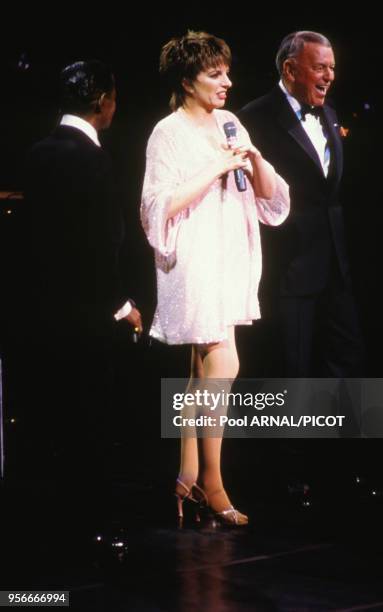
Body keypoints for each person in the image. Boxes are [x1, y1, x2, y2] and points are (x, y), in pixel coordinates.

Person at [141, 31, 289, 525]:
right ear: (188, 81)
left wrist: (254, 159)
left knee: (199, 375)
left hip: (231, 256)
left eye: (226, 72)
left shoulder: (230, 122)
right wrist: (213, 168)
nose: (227, 82)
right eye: (214, 74)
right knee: (222, 364)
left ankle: (185, 479)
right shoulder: (168, 131)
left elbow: (270, 200)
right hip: (195, 259)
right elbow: (156, 206)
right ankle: (214, 481)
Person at [24, 60, 142, 487]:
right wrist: (121, 306)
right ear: (102, 102)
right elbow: (101, 243)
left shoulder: (37, 152)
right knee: (92, 420)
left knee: (53, 420)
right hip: (89, 315)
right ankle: (94, 521)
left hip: (40, 310)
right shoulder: (92, 158)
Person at [238, 31, 364, 377]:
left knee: (345, 361)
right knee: (290, 371)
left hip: (337, 270)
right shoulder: (254, 118)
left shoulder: (331, 114)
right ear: (290, 70)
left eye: (332, 68)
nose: (330, 76)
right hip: (288, 272)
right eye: (320, 67)